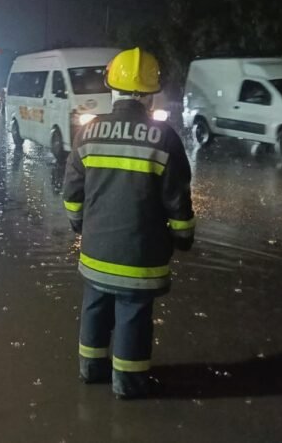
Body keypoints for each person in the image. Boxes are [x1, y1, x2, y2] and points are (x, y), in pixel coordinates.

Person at [62, 47, 195, 399]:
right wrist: (183, 237)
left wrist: (80, 225)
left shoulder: (88, 134)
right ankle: (128, 384)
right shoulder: (164, 139)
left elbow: (72, 193)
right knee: (133, 316)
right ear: (149, 94)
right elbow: (178, 201)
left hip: (95, 252)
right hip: (139, 258)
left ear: (112, 88)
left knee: (94, 307)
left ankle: (90, 370)